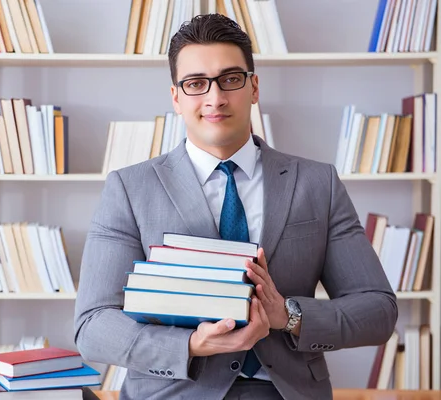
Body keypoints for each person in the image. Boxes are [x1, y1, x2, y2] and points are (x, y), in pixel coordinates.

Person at [73, 13, 398, 400]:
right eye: (196, 84)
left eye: (230, 79)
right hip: (177, 391)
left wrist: (289, 316)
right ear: (176, 97)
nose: (215, 98)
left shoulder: (317, 183)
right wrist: (190, 344)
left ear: (254, 86)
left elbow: (378, 311)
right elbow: (93, 327)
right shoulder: (129, 188)